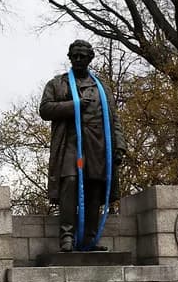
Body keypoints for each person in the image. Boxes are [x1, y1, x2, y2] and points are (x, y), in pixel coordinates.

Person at [39, 39, 126, 252]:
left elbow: (114, 118)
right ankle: (67, 237)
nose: (78, 59)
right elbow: (45, 109)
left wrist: (119, 145)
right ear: (69, 57)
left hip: (98, 144)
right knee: (69, 182)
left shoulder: (102, 87)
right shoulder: (57, 83)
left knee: (94, 189)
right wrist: (74, 105)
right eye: (75, 55)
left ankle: (89, 239)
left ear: (90, 58)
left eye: (82, 56)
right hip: (70, 143)